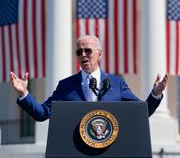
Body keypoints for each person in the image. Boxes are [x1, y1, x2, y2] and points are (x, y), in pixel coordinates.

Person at [10, 35, 168, 121]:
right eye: (79, 52)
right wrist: (24, 93)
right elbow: (42, 113)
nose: (83, 55)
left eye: (88, 50)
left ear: (99, 54)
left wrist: (155, 94)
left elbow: (141, 112)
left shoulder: (116, 83)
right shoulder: (66, 86)